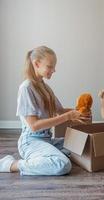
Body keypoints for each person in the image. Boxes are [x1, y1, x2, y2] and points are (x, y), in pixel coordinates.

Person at [0, 46, 88, 175]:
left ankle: (43, 157)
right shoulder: (26, 88)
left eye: (54, 67)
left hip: (46, 139)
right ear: (36, 64)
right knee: (62, 164)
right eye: (50, 66)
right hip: (31, 141)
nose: (54, 70)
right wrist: (68, 116)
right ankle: (11, 164)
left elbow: (61, 111)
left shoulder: (46, 88)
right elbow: (34, 126)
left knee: (81, 144)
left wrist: (79, 112)